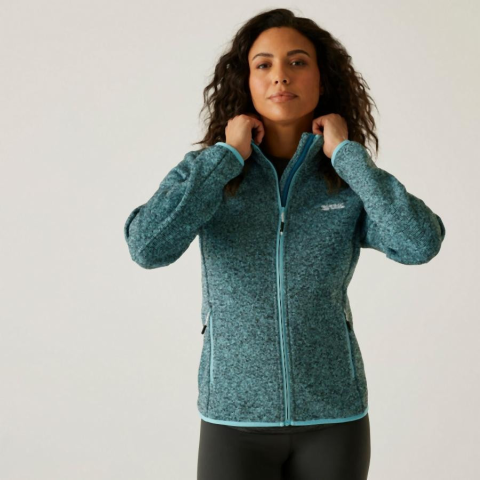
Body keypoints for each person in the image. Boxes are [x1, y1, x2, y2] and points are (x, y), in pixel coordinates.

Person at [124, 8, 446, 480]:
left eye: (297, 62)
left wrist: (349, 157)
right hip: (233, 419)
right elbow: (147, 247)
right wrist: (225, 158)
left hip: (334, 418)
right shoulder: (209, 174)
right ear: (247, 81)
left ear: (322, 79)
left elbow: (420, 243)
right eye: (264, 64)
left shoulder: (345, 178)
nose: (280, 76)